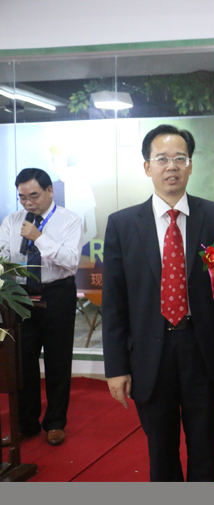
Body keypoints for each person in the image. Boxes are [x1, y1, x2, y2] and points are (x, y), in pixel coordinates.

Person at [102, 124, 214, 482]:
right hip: (149, 353)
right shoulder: (122, 225)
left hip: (203, 348)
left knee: (204, 449)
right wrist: (116, 367)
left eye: (180, 158)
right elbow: (114, 303)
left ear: (190, 165)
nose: (172, 166)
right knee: (161, 453)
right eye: (162, 159)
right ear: (147, 166)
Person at [0, 168, 83, 447]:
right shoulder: (12, 221)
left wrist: (38, 237)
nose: (28, 203)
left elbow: (70, 260)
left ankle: (55, 423)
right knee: (22, 361)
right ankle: (26, 423)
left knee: (58, 360)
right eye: (22, 197)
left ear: (49, 191)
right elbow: (3, 256)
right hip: (20, 295)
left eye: (34, 196)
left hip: (57, 292)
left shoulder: (69, 220)